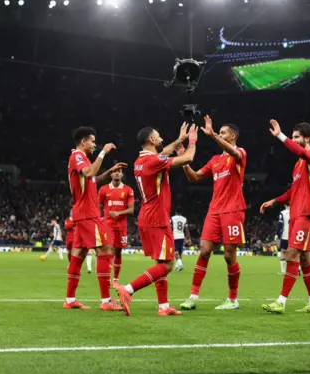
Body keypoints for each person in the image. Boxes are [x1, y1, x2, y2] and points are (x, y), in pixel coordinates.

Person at [117, 122, 197, 317]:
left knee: (161, 262)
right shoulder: (153, 162)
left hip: (147, 215)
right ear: (151, 140)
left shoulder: (140, 161)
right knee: (168, 265)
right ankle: (128, 289)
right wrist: (192, 141)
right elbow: (188, 158)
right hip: (157, 218)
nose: (162, 138)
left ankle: (163, 306)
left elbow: (163, 154)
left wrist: (178, 140)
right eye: (158, 135)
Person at [179, 116, 247, 311]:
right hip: (214, 211)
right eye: (219, 133)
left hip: (233, 210)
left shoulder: (240, 153)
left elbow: (233, 151)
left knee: (228, 255)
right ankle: (192, 297)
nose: (220, 134)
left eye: (223, 132)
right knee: (204, 251)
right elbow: (194, 177)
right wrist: (184, 160)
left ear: (232, 136)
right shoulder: (215, 160)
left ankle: (233, 299)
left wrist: (212, 135)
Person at [259, 120, 310, 314]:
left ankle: (281, 301)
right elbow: (292, 191)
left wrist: (280, 135)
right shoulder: (298, 166)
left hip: (307, 214)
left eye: (297, 137)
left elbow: (302, 152)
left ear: (307, 138)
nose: (294, 140)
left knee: (291, 254)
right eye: (292, 136)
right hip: (297, 214)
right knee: (304, 259)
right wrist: (275, 201)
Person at [65, 126, 127, 311]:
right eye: (92, 141)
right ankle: (106, 301)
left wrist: (109, 172)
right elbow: (89, 173)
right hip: (87, 214)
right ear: (83, 142)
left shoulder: (82, 160)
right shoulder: (77, 156)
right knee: (106, 248)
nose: (94, 144)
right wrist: (103, 152)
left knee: (79, 255)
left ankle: (69, 300)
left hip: (83, 213)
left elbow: (92, 179)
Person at [98, 167, 135, 289]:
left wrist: (118, 214)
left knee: (118, 252)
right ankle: (107, 277)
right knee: (108, 250)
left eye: (119, 171)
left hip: (121, 226)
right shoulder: (103, 189)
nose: (117, 173)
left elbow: (131, 209)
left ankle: (115, 279)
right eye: (114, 171)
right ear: (111, 174)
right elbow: (99, 206)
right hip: (107, 225)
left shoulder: (128, 190)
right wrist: (99, 220)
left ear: (122, 174)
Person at [275, 203, 290, 275]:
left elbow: (280, 224)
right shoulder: (296, 211)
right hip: (295, 236)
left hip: (285, 235)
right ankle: (298, 270)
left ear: (284, 205)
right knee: (295, 253)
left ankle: (283, 271)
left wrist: (277, 234)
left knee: (283, 252)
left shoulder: (283, 213)